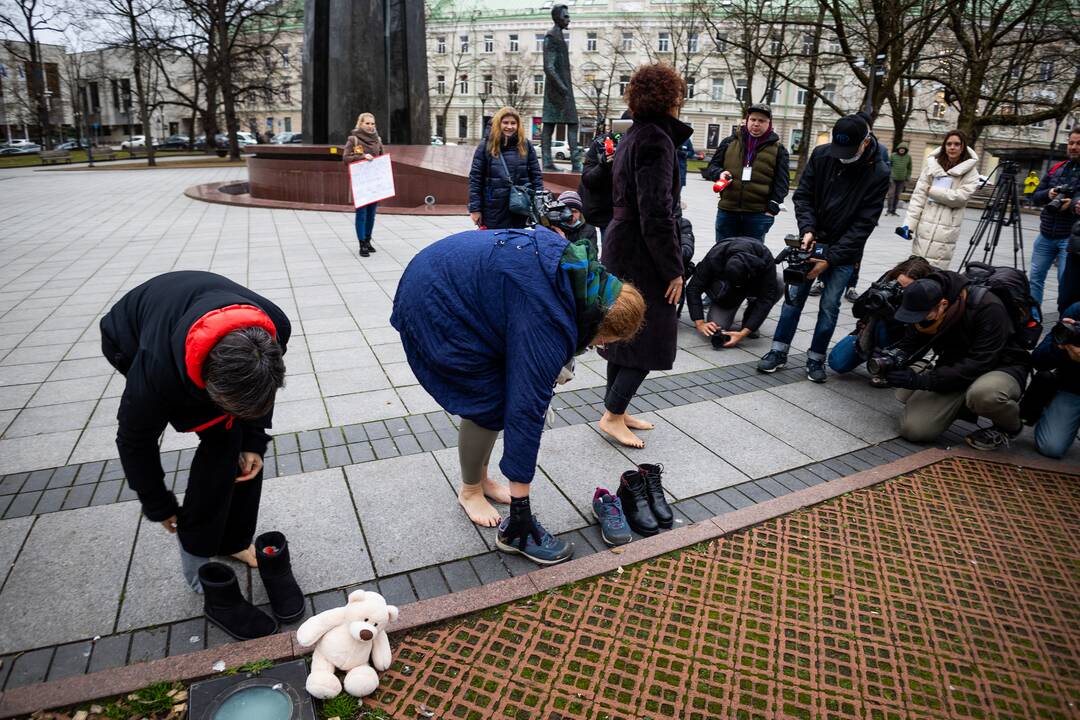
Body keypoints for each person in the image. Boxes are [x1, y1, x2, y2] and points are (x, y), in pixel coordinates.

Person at [390, 226, 645, 565]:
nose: (604, 347)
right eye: (607, 341)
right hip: (434, 300)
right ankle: (469, 491)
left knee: (497, 395)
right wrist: (521, 505)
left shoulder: (582, 276)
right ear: (601, 323)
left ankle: (480, 479)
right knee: (487, 402)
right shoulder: (546, 321)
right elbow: (526, 412)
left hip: (452, 274)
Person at [100, 271, 300, 639]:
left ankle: (233, 541)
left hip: (200, 319)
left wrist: (254, 439)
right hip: (130, 333)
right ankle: (196, 551)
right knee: (221, 440)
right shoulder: (154, 373)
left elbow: (261, 393)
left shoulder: (275, 326)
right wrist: (157, 503)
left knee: (238, 446)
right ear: (207, 384)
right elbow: (134, 440)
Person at [757, 111, 891, 383]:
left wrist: (830, 258)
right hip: (813, 240)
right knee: (793, 301)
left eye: (849, 150)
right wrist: (807, 229)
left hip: (843, 251)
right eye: (838, 148)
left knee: (829, 305)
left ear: (865, 142)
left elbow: (864, 225)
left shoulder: (878, 171)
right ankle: (778, 351)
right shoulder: (822, 155)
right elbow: (803, 196)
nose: (842, 155)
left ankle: (816, 357)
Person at [598, 63, 691, 449]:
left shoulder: (636, 134)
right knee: (649, 333)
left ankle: (615, 409)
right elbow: (656, 211)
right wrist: (674, 269)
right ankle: (612, 414)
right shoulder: (656, 139)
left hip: (623, 243)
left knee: (624, 328)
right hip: (642, 250)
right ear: (671, 98)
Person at [884, 271, 1031, 450]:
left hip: (999, 367)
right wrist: (892, 357)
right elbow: (911, 343)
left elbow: (979, 363)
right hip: (955, 367)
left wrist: (922, 381)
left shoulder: (988, 306)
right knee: (914, 430)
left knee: (984, 395)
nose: (919, 320)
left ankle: (1010, 427)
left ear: (943, 304)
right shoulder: (926, 304)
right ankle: (962, 406)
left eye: (923, 316)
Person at [827, 256, 934, 382]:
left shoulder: (928, 294)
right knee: (837, 363)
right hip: (869, 333)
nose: (901, 290)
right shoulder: (887, 281)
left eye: (907, 289)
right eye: (899, 285)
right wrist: (872, 298)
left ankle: (887, 365)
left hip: (902, 342)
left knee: (883, 325)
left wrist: (893, 315)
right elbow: (857, 312)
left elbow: (915, 336)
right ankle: (872, 353)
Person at [704, 103, 789, 242]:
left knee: (751, 257)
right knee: (722, 253)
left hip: (758, 215)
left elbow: (782, 182)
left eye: (761, 121)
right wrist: (719, 173)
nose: (756, 124)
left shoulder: (778, 149)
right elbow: (712, 167)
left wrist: (772, 210)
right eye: (753, 119)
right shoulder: (729, 142)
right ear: (747, 120)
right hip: (727, 211)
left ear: (769, 123)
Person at [898, 131, 981, 270]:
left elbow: (960, 198)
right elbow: (918, 198)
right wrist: (908, 225)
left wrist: (932, 191)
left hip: (947, 229)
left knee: (936, 273)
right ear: (944, 146)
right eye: (949, 144)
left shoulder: (971, 172)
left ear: (963, 147)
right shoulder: (931, 167)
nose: (952, 147)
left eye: (956, 144)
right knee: (915, 270)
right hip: (925, 226)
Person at [686, 237, 781, 349]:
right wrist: (699, 322)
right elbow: (693, 288)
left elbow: (766, 298)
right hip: (728, 292)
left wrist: (743, 333)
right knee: (718, 328)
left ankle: (749, 317)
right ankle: (729, 304)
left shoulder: (764, 257)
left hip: (753, 286)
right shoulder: (715, 257)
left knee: (779, 282)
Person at [468, 106, 545, 230]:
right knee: (495, 244)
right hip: (493, 209)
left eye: (513, 123)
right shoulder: (486, 145)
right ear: (499, 123)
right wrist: (475, 209)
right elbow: (475, 179)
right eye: (505, 122)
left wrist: (539, 202)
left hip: (519, 208)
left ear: (518, 125)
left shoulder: (525, 145)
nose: (509, 127)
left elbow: (536, 175)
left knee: (517, 244)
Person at [1029, 128, 1080, 308]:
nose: (1073, 147)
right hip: (1045, 235)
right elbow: (1035, 196)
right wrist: (1049, 194)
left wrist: (1072, 204)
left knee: (1066, 285)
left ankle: (1063, 326)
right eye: (1071, 143)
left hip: (1070, 238)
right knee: (1034, 279)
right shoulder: (1057, 168)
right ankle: (1033, 320)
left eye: (1078, 143)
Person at [1029, 304, 1080, 459]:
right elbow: (1038, 360)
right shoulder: (1077, 311)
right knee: (1051, 446)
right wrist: (1060, 348)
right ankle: (1050, 408)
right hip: (1075, 388)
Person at [343, 112, 384, 258]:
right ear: (360, 124)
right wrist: (361, 156)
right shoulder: (353, 139)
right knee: (362, 214)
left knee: (371, 214)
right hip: (360, 182)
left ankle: (368, 240)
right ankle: (361, 244)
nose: (370, 126)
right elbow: (346, 157)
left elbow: (381, 158)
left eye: (372, 123)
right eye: (367, 123)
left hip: (374, 182)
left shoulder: (377, 140)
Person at [557, 190, 598, 257]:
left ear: (580, 213)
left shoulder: (589, 229)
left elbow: (592, 256)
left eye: (574, 211)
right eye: (565, 211)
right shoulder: (554, 228)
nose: (570, 215)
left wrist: (564, 242)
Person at [885, 142, 912, 216]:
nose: (902, 150)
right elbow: (889, 165)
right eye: (901, 149)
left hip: (902, 179)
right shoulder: (893, 155)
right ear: (898, 149)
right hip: (893, 178)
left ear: (905, 150)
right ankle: (889, 210)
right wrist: (889, 174)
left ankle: (893, 211)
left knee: (897, 195)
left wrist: (908, 176)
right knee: (891, 194)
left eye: (903, 149)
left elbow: (909, 168)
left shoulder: (908, 157)